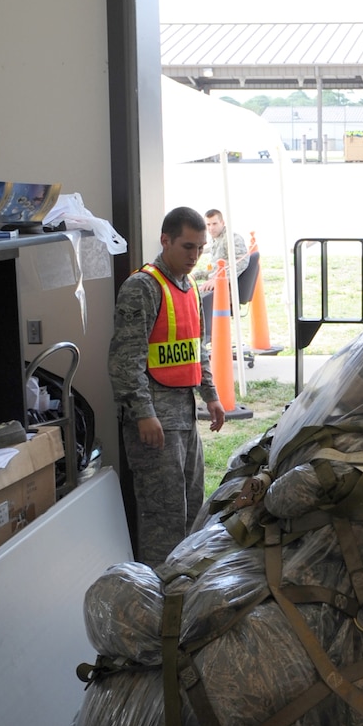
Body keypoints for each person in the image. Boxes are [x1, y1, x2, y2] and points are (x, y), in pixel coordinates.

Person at [108, 205, 226, 567]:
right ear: (165, 241)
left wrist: (212, 397)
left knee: (190, 507)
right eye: (188, 247)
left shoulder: (188, 286)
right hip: (155, 422)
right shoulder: (142, 287)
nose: (195, 256)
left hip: (184, 418)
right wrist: (143, 414)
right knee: (162, 518)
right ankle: (157, 596)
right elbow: (125, 361)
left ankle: (184, 589)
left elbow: (197, 350)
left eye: (200, 248)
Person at [198, 206, 249, 339]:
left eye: (214, 223)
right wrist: (195, 275)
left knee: (192, 297)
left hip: (226, 288)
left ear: (223, 223)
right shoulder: (215, 240)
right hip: (215, 284)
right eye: (208, 224)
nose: (211, 228)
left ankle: (204, 338)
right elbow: (213, 268)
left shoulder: (232, 238)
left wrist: (219, 280)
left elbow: (242, 261)